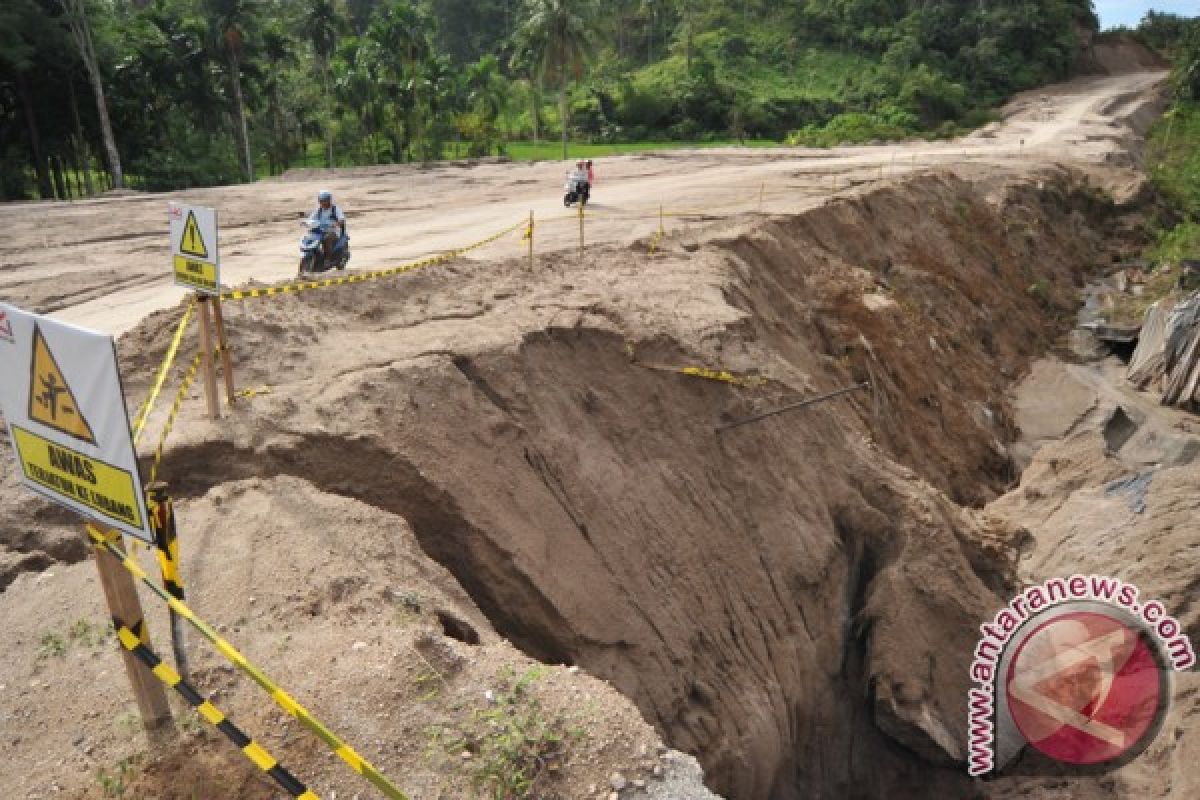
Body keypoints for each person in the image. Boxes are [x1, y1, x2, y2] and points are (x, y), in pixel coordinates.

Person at [312, 189, 346, 265]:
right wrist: (306, 223)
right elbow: (311, 219)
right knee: (311, 238)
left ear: (329, 200)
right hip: (320, 231)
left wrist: (336, 224)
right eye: (321, 201)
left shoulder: (335, 209)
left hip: (333, 231)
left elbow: (342, 219)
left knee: (326, 238)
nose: (323, 203)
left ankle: (328, 258)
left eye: (325, 200)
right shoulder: (318, 210)